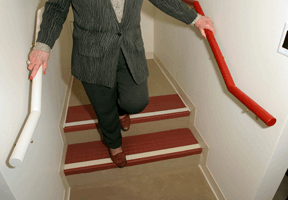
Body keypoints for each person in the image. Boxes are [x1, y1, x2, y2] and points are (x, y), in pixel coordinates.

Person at [27, 0, 215, 168]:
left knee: (137, 101)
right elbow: (56, 7)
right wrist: (43, 45)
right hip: (92, 54)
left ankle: (122, 111)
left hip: (129, 48)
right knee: (104, 108)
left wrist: (194, 18)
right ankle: (114, 145)